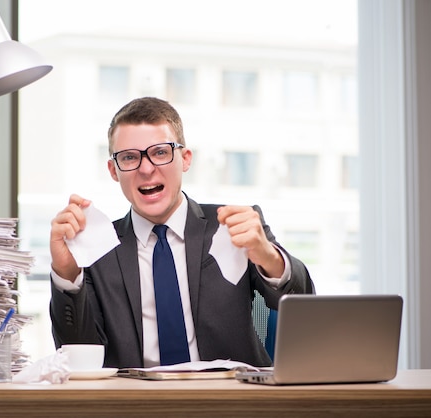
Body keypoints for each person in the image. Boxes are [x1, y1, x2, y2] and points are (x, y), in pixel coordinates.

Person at [49, 97, 314, 369]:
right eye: (129, 157)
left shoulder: (234, 226)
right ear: (113, 171)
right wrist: (67, 274)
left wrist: (268, 257)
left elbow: (307, 309)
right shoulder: (97, 247)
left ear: (185, 159)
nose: (146, 168)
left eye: (160, 152)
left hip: (231, 402)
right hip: (135, 404)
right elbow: (77, 359)